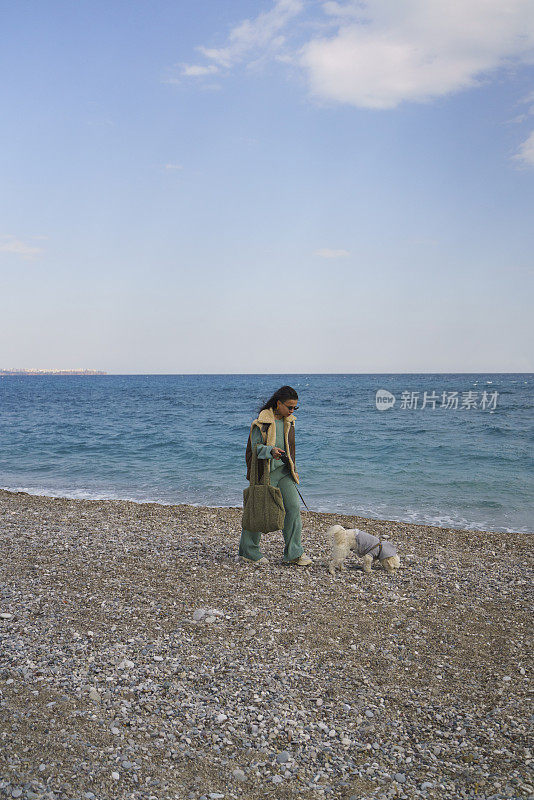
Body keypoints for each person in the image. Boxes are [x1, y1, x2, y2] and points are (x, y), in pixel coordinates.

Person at [239, 385, 312, 567]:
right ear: (278, 403)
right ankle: (248, 551)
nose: (292, 411)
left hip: (284, 472)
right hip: (265, 473)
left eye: (295, 407)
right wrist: (270, 451)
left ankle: (293, 553)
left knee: (293, 508)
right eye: (289, 407)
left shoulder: (290, 422)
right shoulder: (262, 423)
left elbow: (290, 448)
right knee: (258, 509)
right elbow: (255, 449)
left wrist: (293, 468)